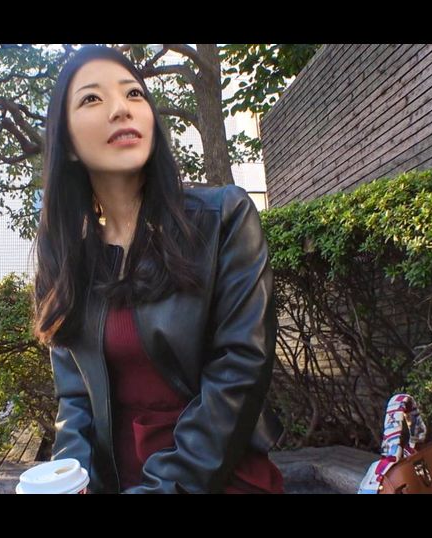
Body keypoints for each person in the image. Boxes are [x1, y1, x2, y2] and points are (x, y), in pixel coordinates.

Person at [32, 45, 284, 494]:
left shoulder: (223, 218)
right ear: (66, 144)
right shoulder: (70, 263)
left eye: (133, 94)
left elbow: (241, 369)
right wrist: (67, 480)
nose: (120, 109)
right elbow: (75, 401)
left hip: (220, 479)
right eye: (92, 98)